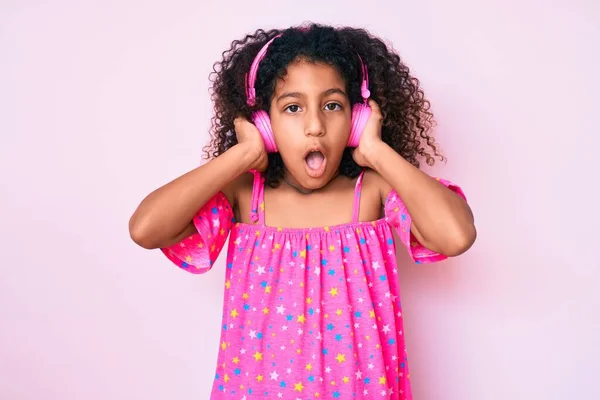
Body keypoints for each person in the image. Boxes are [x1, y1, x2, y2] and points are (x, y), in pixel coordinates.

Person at [129, 22, 476, 400]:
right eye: (292, 107)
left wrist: (377, 151)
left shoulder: (373, 191)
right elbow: (146, 228)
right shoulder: (245, 194)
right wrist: (242, 154)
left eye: (333, 105)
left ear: (357, 118)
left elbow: (455, 236)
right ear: (264, 122)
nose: (315, 126)